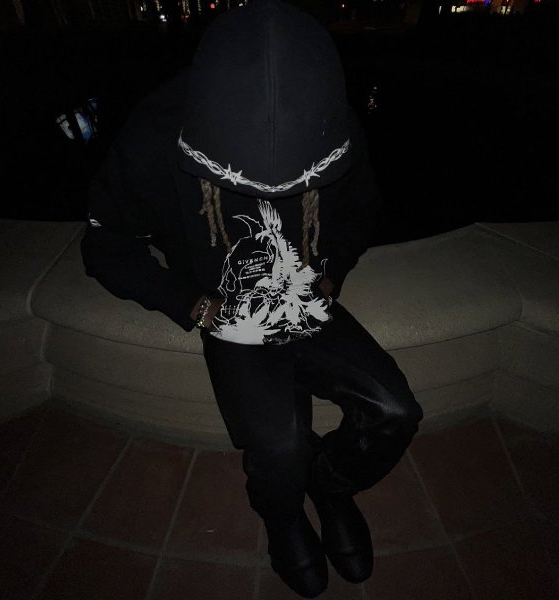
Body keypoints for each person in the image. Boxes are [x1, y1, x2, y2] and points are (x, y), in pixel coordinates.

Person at [80, 1, 423, 597]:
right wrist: (190, 302)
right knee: (278, 444)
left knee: (395, 411)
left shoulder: (330, 118)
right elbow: (105, 245)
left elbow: (359, 210)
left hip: (306, 297)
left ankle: (330, 486)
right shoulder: (156, 133)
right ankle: (282, 515)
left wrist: (331, 270)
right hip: (226, 305)